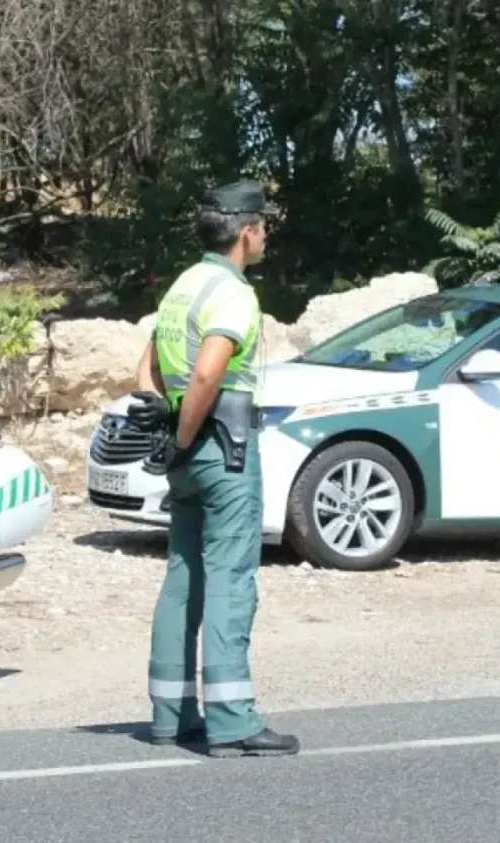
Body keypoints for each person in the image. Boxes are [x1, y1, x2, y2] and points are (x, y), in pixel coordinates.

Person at [126, 180, 299, 758]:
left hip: (186, 455)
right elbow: (208, 372)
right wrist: (183, 435)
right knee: (231, 578)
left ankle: (171, 715)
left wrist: (169, 427)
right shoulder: (233, 293)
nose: (266, 234)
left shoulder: (183, 286)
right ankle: (232, 721)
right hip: (223, 450)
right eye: (263, 225)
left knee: (184, 575)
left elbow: (147, 369)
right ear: (246, 232)